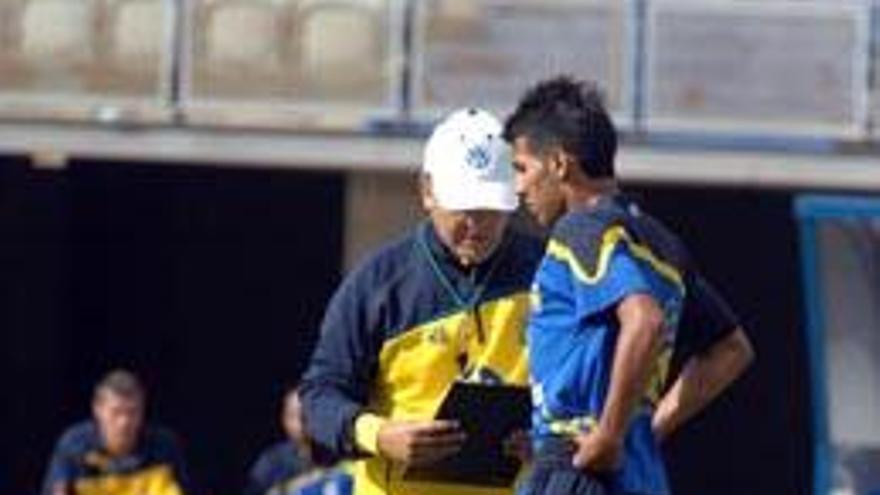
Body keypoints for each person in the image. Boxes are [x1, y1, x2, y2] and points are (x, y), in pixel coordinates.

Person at [503, 76, 755, 495]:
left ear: (560, 164)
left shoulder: (580, 228)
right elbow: (731, 349)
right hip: (637, 468)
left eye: (522, 169)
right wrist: (642, 430)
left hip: (581, 468)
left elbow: (645, 320)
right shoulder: (659, 241)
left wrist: (608, 434)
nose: (519, 187)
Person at [299, 107, 545, 495]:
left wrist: (546, 442)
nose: (476, 225)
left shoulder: (548, 274)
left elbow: (583, 396)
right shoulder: (377, 282)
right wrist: (380, 436)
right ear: (428, 192)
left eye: (490, 209)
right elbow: (319, 397)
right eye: (463, 208)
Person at [41, 369, 191, 495]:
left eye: (132, 412)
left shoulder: (164, 446)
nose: (124, 422)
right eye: (116, 412)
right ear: (97, 409)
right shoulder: (74, 446)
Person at [244, 388, 333, 495]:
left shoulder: (337, 452)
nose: (300, 423)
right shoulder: (271, 462)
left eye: (306, 414)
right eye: (293, 415)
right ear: (284, 419)